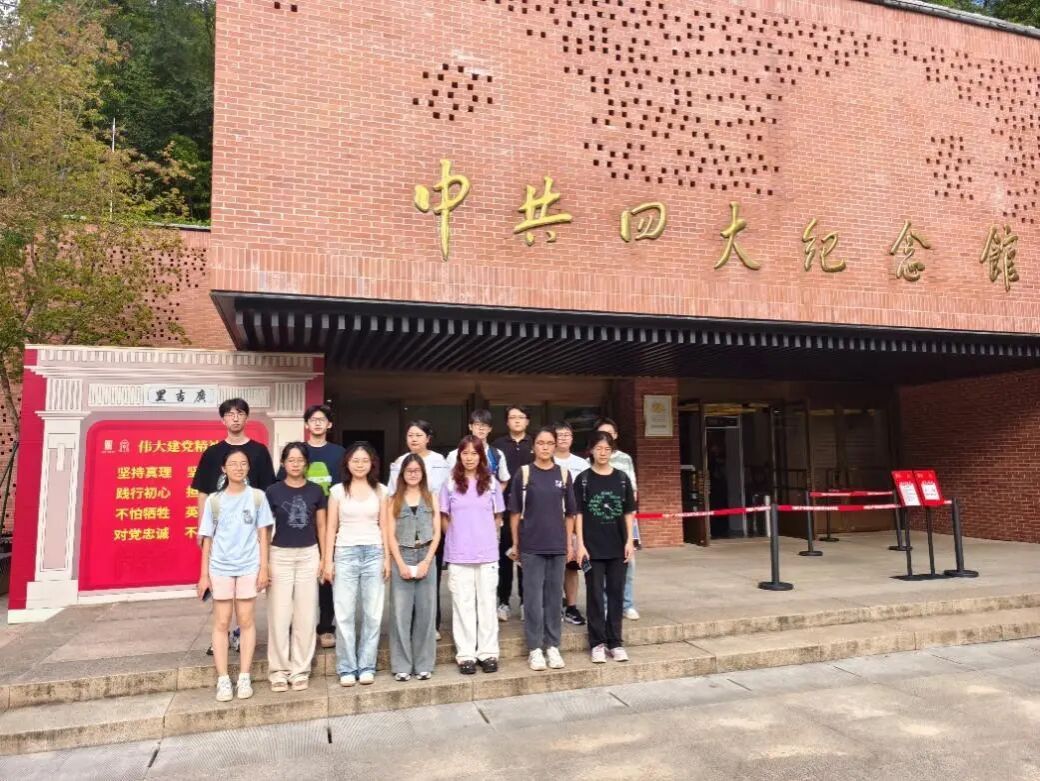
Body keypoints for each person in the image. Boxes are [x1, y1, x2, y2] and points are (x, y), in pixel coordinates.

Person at [192, 398, 277, 655]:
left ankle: (241, 632)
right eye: (230, 414)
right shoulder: (212, 453)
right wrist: (202, 528)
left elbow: (267, 493)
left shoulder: (259, 452)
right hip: (221, 532)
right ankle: (222, 633)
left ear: (247, 417)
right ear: (223, 420)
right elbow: (203, 492)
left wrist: (267, 533)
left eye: (240, 413)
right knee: (220, 586)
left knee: (246, 589)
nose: (235, 418)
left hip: (249, 532)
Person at [196, 448, 274, 701]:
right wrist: (203, 575)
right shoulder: (214, 501)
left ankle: (244, 676)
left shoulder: (258, 497)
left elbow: (263, 534)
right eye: (233, 464)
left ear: (249, 468)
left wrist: (264, 567)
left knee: (246, 621)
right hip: (220, 567)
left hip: (249, 566)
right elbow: (207, 539)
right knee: (221, 622)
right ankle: (222, 679)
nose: (238, 468)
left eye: (243, 463)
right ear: (223, 469)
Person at [276, 404, 346, 650]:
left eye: (322, 419)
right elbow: (281, 486)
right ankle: (296, 627)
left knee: (327, 574)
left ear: (329, 424)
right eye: (313, 419)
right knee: (297, 580)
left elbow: (345, 486)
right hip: (299, 524)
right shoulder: (297, 452)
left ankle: (326, 627)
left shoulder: (339, 453)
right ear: (306, 424)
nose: (317, 423)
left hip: (330, 522)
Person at [507, 426, 576, 672]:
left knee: (554, 598)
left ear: (555, 446)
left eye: (549, 443)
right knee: (533, 599)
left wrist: (569, 544)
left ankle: (553, 645)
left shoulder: (564, 474)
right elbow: (515, 513)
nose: (545, 447)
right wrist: (516, 543)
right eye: (540, 443)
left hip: (557, 545)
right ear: (533, 446)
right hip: (531, 545)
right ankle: (535, 648)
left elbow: (570, 513)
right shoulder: (524, 474)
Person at [323, 442, 390, 686]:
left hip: (374, 552)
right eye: (355, 460)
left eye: (364, 460)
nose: (360, 464)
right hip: (345, 553)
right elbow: (331, 527)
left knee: (373, 614)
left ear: (372, 463)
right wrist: (327, 560)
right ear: (347, 464)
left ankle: (367, 665)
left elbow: (385, 526)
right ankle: (347, 668)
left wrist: (387, 558)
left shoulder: (381, 490)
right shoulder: (337, 491)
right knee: (344, 614)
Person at [440, 435, 505, 675]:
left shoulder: (491, 482)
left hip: (486, 553)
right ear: (459, 456)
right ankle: (466, 654)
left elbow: (498, 516)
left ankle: (488, 652)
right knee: (463, 605)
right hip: (459, 554)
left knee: (487, 604)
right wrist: (456, 537)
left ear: (481, 456)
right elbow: (444, 517)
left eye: (474, 453)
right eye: (465, 453)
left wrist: (487, 537)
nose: (469, 458)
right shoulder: (450, 482)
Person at [266, 442, 327, 692]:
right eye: (290, 460)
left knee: (306, 615)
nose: (295, 464)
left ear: (306, 464)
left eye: (300, 460)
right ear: (283, 463)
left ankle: (301, 669)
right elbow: (265, 529)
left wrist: (325, 558)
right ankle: (279, 670)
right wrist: (264, 563)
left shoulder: (316, 491)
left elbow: (322, 526)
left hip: (308, 554)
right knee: (279, 615)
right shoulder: (272, 491)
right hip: (279, 555)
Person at [574, 431, 636, 664]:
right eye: (598, 448)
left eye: (607, 449)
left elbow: (628, 512)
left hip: (618, 547)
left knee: (616, 594)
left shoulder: (621, 478)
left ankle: (615, 642)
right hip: (592, 548)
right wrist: (580, 544)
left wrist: (629, 541)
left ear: (612, 451)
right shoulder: (583, 480)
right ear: (591, 450)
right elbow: (578, 514)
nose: (602, 453)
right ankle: (597, 642)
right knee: (595, 595)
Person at [387, 420, 451, 638]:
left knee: (431, 579)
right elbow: (392, 493)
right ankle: (411, 625)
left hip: (431, 523)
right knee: (405, 582)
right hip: (405, 525)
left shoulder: (439, 461)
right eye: (410, 435)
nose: (414, 439)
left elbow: (445, 491)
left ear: (428, 438)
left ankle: (432, 625)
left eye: (418, 435)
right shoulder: (400, 462)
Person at [386, 453, 441, 681]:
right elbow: (390, 534)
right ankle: (402, 665)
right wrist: (400, 563)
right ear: (402, 474)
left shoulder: (431, 497)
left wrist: (427, 561)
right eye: (409, 471)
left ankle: (424, 664)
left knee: (426, 613)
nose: (413, 474)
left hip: (426, 554)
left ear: (423, 473)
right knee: (400, 614)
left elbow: (437, 532)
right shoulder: (394, 500)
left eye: (417, 470)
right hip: (403, 554)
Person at [593, 417, 641, 620]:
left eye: (610, 434)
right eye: (601, 434)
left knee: (628, 562)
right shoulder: (590, 460)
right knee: (602, 565)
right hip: (600, 520)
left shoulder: (625, 459)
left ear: (616, 435)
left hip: (624, 519)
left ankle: (626, 604)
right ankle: (605, 604)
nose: (606, 438)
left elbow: (633, 491)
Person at [491, 405, 533, 622]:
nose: (517, 420)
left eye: (521, 417)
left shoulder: (535, 443)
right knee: (505, 557)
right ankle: (504, 601)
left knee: (527, 557)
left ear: (527, 421)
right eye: (512, 417)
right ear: (507, 421)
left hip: (531, 511)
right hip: (505, 511)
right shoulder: (497, 446)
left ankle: (526, 601)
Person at [553, 421, 588, 628]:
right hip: (550, 520)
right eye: (559, 435)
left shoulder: (581, 464)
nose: (564, 438)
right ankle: (554, 605)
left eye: (567, 434)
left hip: (574, 521)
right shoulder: (547, 460)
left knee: (571, 565)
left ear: (572, 438)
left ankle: (572, 607)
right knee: (552, 566)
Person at [446, 409, 510, 487]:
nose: (481, 428)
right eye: (477, 424)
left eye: (485, 425)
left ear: (490, 429)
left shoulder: (497, 454)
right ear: (470, 427)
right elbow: (448, 482)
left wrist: (496, 494)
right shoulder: (454, 454)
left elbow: (504, 480)